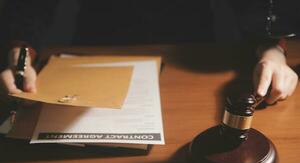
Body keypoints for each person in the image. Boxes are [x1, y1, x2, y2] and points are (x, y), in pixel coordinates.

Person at [0, 0, 299, 104]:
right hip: (98, 47)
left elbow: (256, 7)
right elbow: (31, 5)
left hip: (191, 51)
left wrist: (272, 50)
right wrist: (19, 48)